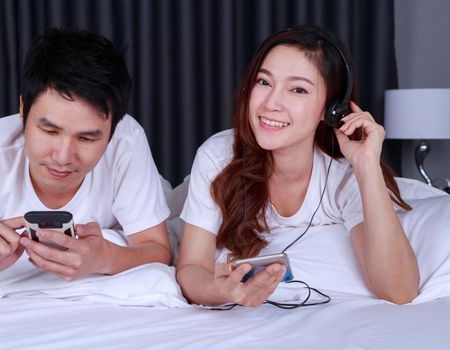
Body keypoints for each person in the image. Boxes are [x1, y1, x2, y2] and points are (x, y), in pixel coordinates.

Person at [176, 25, 419, 307]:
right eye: (264, 82)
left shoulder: (344, 176)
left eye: (298, 89)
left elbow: (400, 292)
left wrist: (367, 167)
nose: (271, 103)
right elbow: (191, 268)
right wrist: (224, 291)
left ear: (331, 109)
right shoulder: (218, 156)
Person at [0, 29, 171, 288]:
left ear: (112, 131)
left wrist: (104, 258)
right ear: (23, 110)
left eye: (87, 139)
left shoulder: (127, 142)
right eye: (49, 131)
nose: (63, 157)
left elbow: (157, 250)